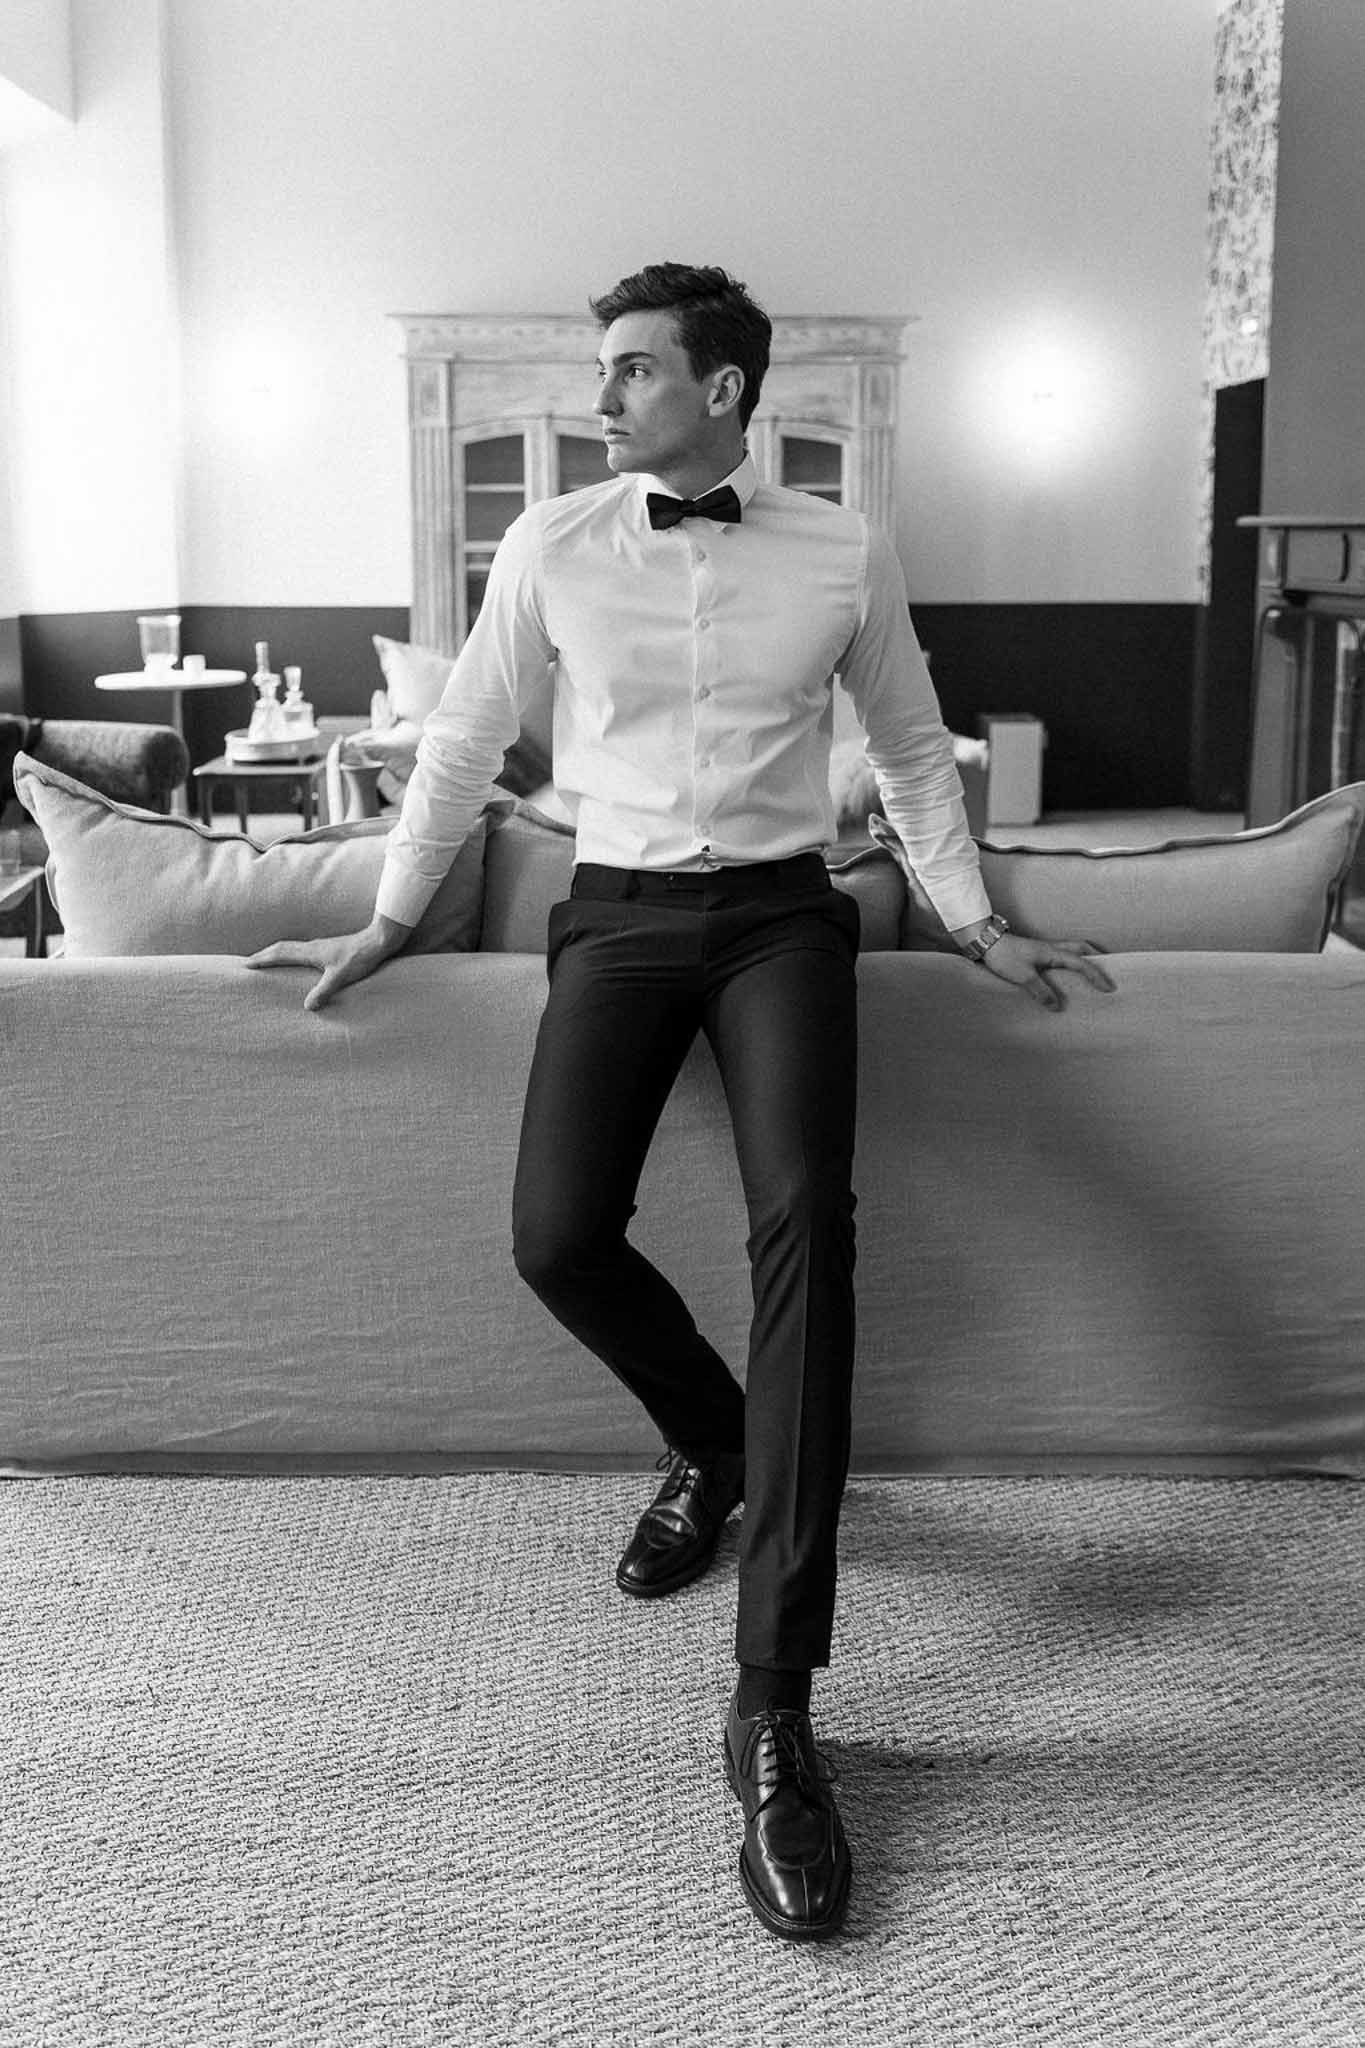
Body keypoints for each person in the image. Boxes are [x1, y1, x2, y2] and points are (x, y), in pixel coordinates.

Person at [248, 262, 1115, 1942]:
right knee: (556, 1233)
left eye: (635, 370)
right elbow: (462, 746)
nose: (605, 397)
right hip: (623, 912)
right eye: (603, 372)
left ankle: (774, 1709)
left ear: (724, 390)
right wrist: (388, 912)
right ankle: (716, 1441)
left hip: (786, 914)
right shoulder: (550, 545)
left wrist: (973, 920)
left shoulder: (842, 548)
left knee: (807, 1219)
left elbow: (919, 750)